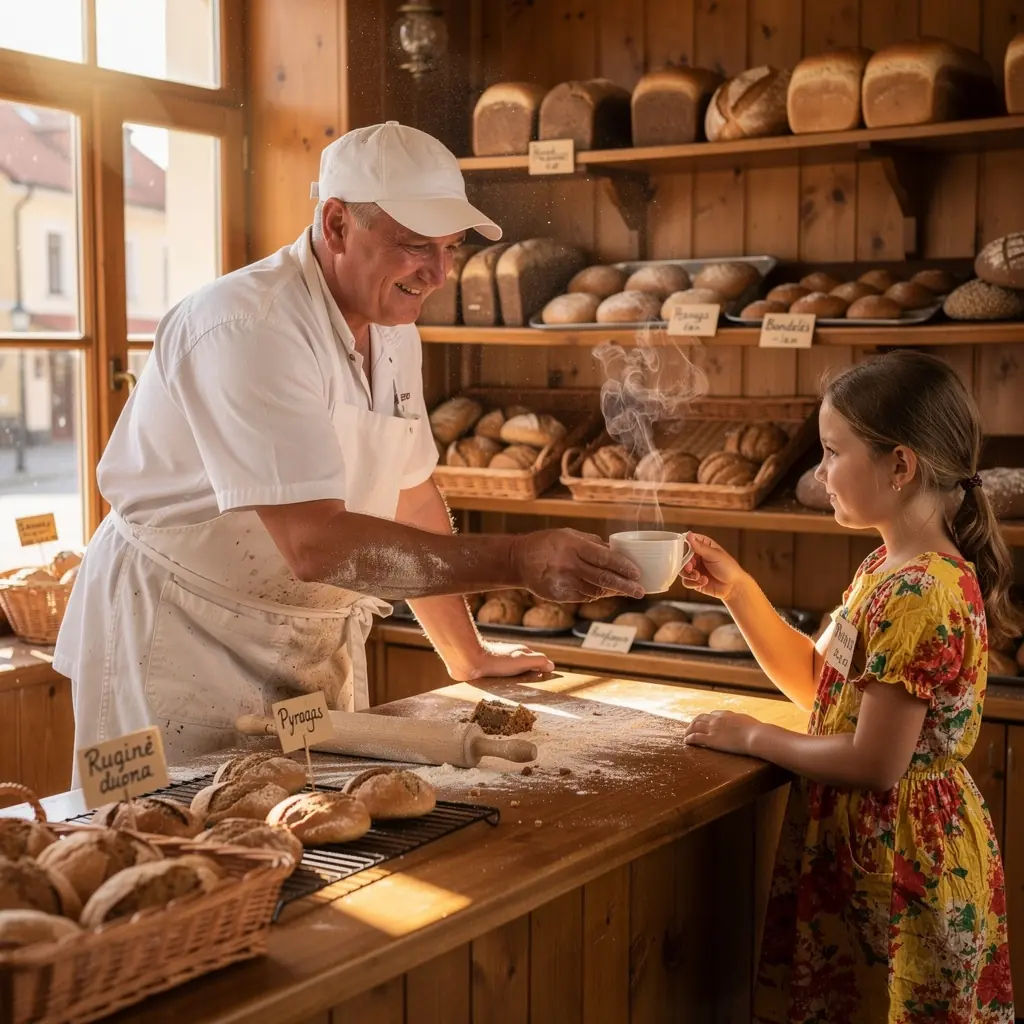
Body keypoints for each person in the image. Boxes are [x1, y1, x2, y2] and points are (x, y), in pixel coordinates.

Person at [55, 121, 643, 771]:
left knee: (310, 822)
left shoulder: (392, 327)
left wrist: (466, 653)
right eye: (416, 246)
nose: (439, 273)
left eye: (450, 248)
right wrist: (516, 558)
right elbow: (315, 545)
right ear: (337, 224)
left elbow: (410, 494)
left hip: (306, 638)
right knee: (170, 826)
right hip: (178, 636)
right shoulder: (249, 325)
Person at [681, 351, 1015, 1023]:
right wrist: (739, 591)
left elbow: (874, 761)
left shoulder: (921, 593)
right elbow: (819, 684)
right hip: (869, 854)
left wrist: (753, 736)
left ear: (900, 466)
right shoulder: (884, 568)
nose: (819, 472)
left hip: (905, 866)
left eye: (833, 452)